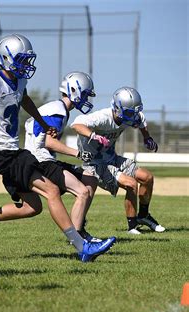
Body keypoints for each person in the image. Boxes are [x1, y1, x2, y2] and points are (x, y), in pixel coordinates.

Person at [0, 34, 116, 262]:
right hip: (1, 152)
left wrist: (44, 123)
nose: (27, 65)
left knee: (32, 206)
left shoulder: (18, 82)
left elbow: (24, 99)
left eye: (28, 60)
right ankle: (81, 246)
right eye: (22, 60)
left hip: (10, 151)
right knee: (52, 191)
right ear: (7, 59)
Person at [70, 86, 165, 234]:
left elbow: (141, 121)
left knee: (147, 177)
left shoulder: (132, 116)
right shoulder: (103, 117)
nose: (132, 116)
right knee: (131, 184)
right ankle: (132, 226)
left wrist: (147, 138)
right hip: (94, 163)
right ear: (116, 107)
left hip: (112, 158)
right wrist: (93, 136)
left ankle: (144, 215)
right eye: (129, 112)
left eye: (134, 112)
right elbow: (76, 124)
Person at [23, 71, 101, 241]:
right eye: (86, 94)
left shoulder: (58, 108)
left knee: (90, 179)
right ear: (75, 91)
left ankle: (78, 229)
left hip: (42, 159)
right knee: (82, 192)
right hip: (40, 161)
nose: (87, 98)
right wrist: (78, 153)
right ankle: (77, 238)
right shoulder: (58, 111)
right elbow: (49, 143)